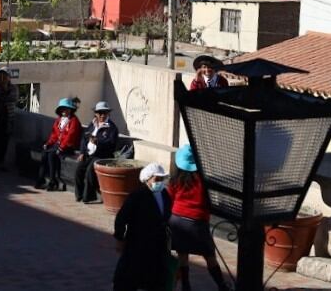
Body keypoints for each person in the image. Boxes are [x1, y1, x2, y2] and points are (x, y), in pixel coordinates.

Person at [168, 144, 230, 291]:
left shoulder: (175, 179)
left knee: (182, 254)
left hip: (177, 220)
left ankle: (186, 285)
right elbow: (209, 201)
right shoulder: (203, 181)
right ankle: (221, 285)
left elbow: (169, 198)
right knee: (209, 256)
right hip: (197, 221)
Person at [113, 163, 172, 291]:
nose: (160, 182)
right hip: (138, 242)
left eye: (162, 179)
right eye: (157, 179)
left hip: (158, 243)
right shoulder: (137, 196)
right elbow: (122, 217)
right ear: (147, 179)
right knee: (130, 276)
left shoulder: (164, 194)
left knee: (156, 277)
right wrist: (119, 237)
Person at [75, 101, 119, 203]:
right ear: (96, 113)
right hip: (88, 153)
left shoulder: (112, 128)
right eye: (100, 113)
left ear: (108, 113)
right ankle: (79, 194)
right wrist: (82, 152)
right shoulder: (92, 124)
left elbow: (111, 144)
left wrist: (98, 142)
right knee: (79, 169)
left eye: (104, 113)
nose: (102, 115)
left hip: (101, 155)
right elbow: (84, 139)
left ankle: (88, 197)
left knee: (90, 170)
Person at [37, 97, 82, 191]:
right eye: (62, 109)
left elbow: (70, 137)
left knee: (52, 155)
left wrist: (61, 148)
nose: (64, 111)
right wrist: (48, 143)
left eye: (66, 109)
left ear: (70, 110)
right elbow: (54, 134)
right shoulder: (59, 120)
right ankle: (41, 180)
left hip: (69, 146)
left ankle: (53, 181)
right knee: (45, 153)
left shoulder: (74, 121)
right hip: (58, 144)